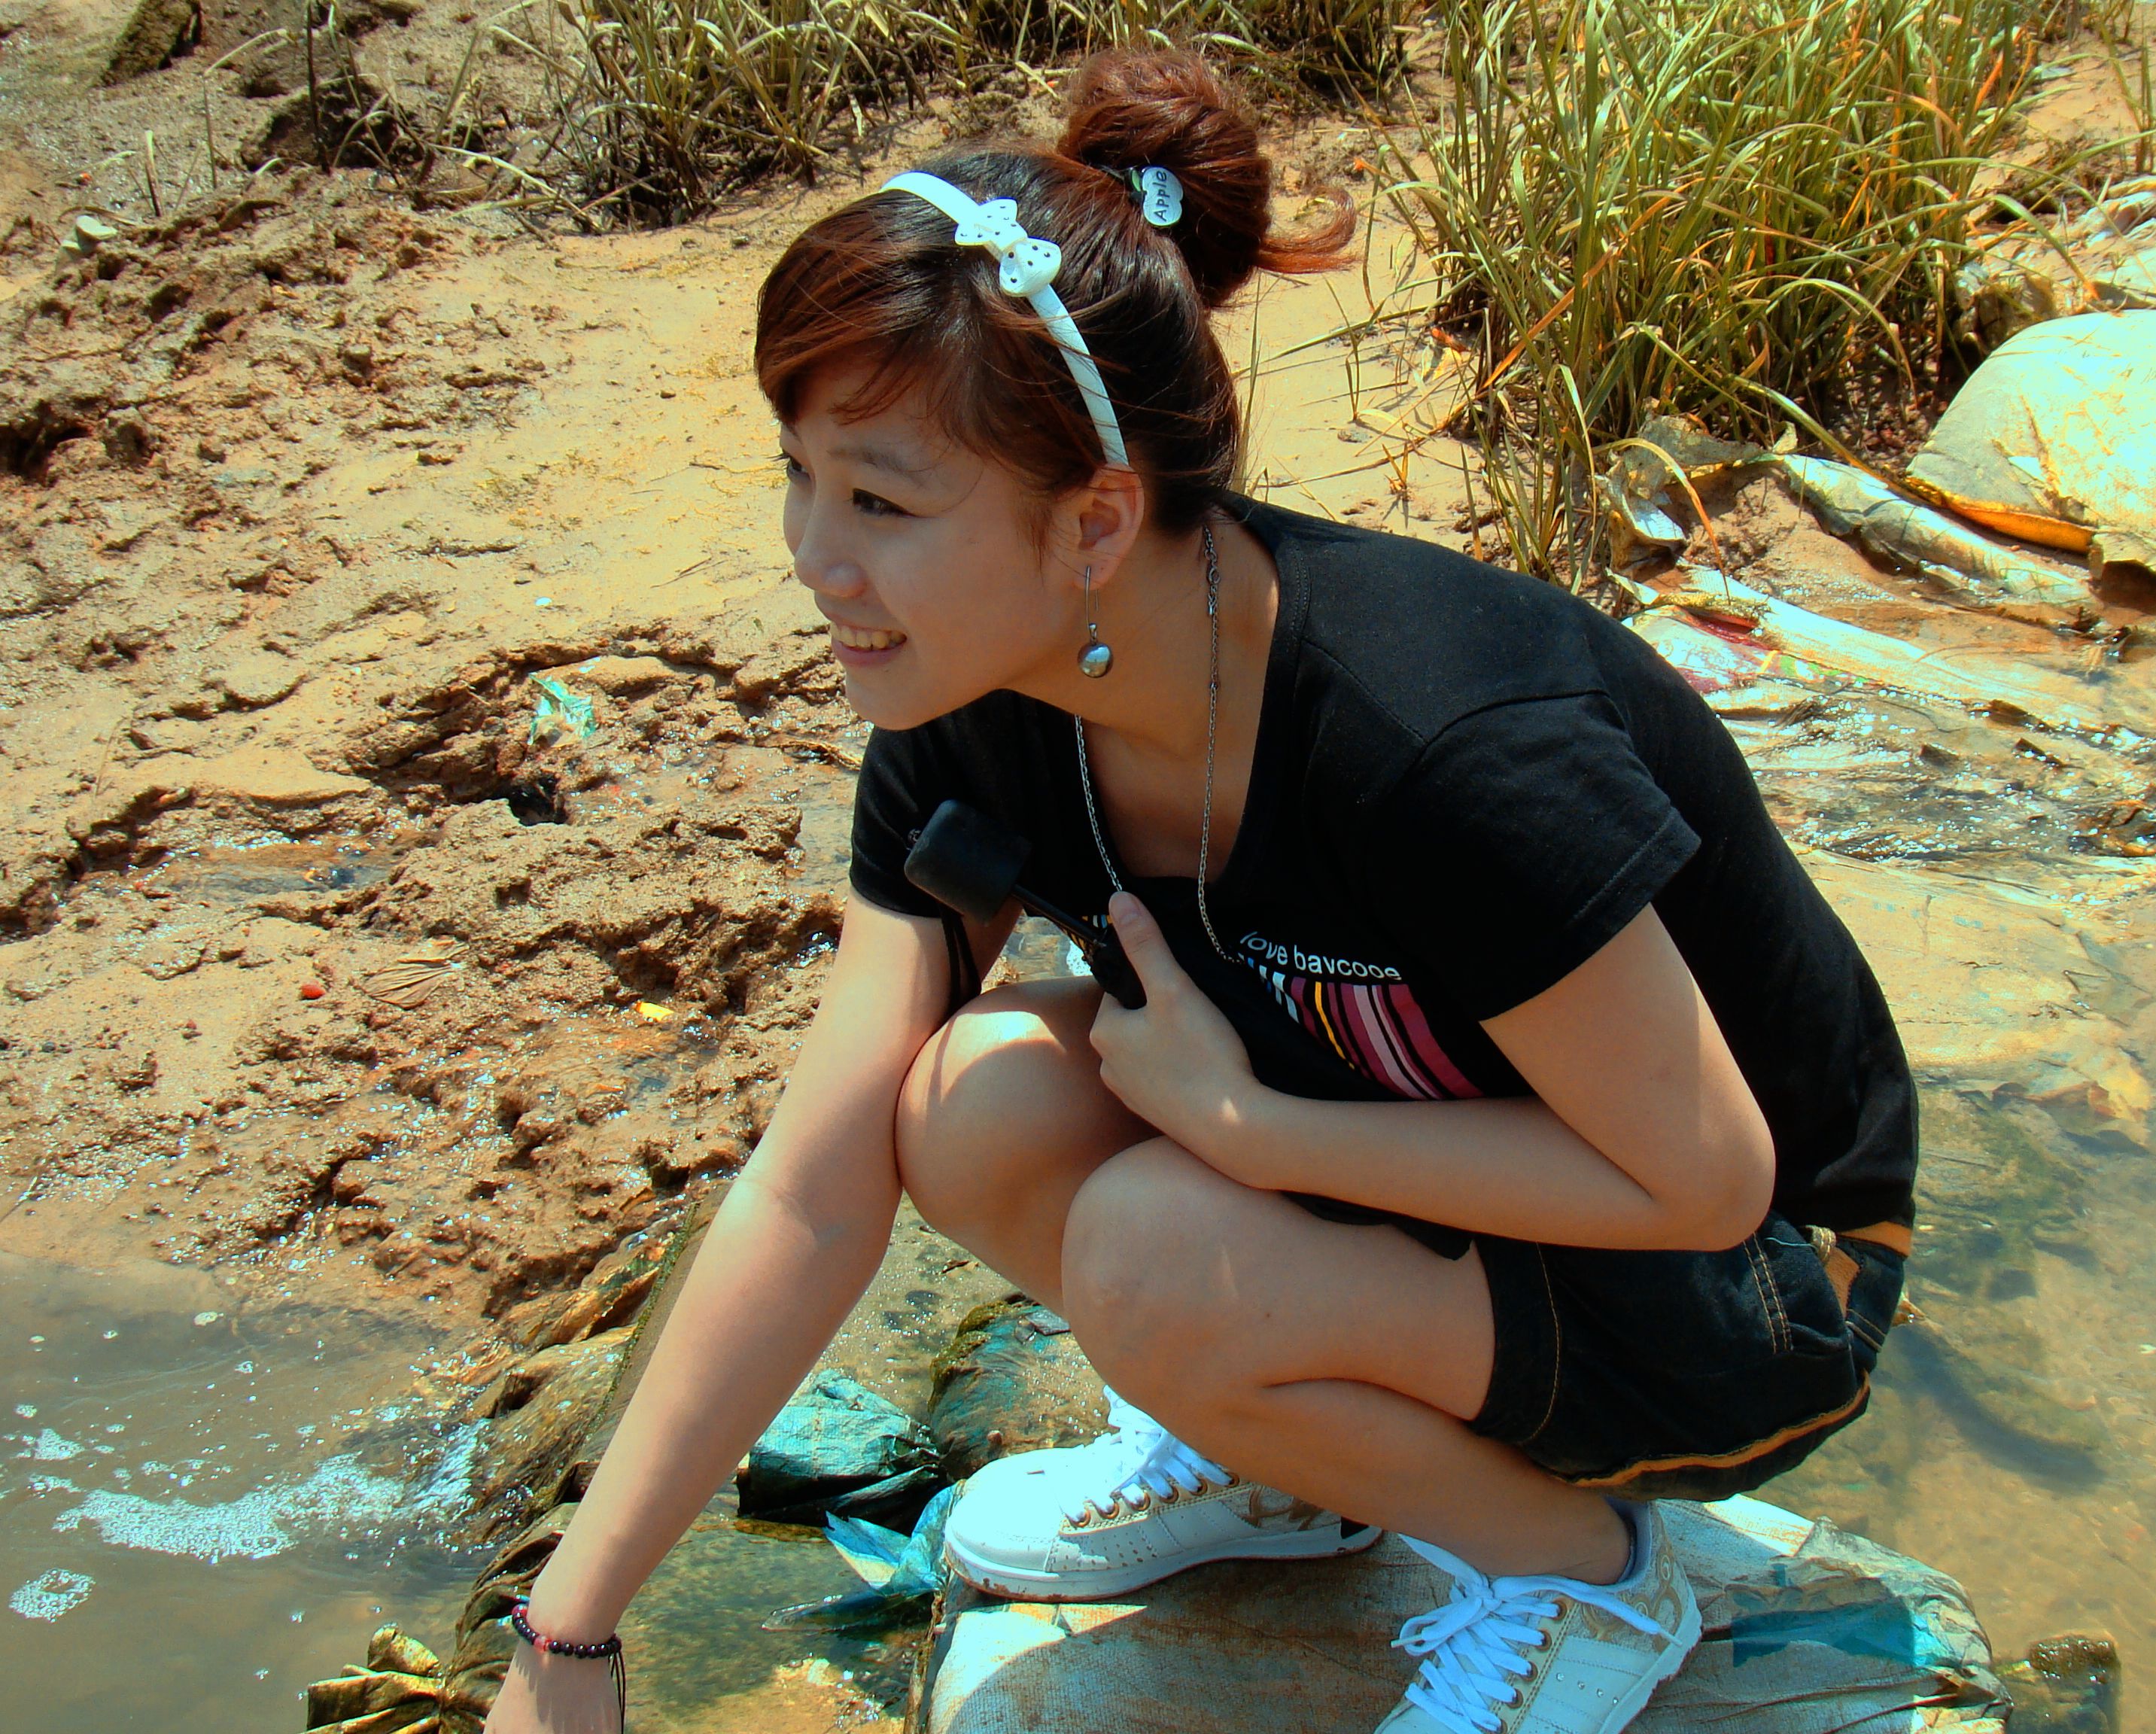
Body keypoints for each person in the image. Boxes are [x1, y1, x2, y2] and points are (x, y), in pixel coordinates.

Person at [487, 50, 1917, 1734]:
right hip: (1463, 1186)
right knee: (970, 1108)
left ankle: (1585, 1579)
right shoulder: (970, 715)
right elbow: (812, 1191)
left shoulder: (1434, 742)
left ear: (1097, 520)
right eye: (799, 472)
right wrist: (568, 1637)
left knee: (1153, 1248)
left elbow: (1704, 1178)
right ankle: (1291, 1472)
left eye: (880, 499)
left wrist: (1256, 1133)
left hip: (1754, 1282)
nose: (816, 555)